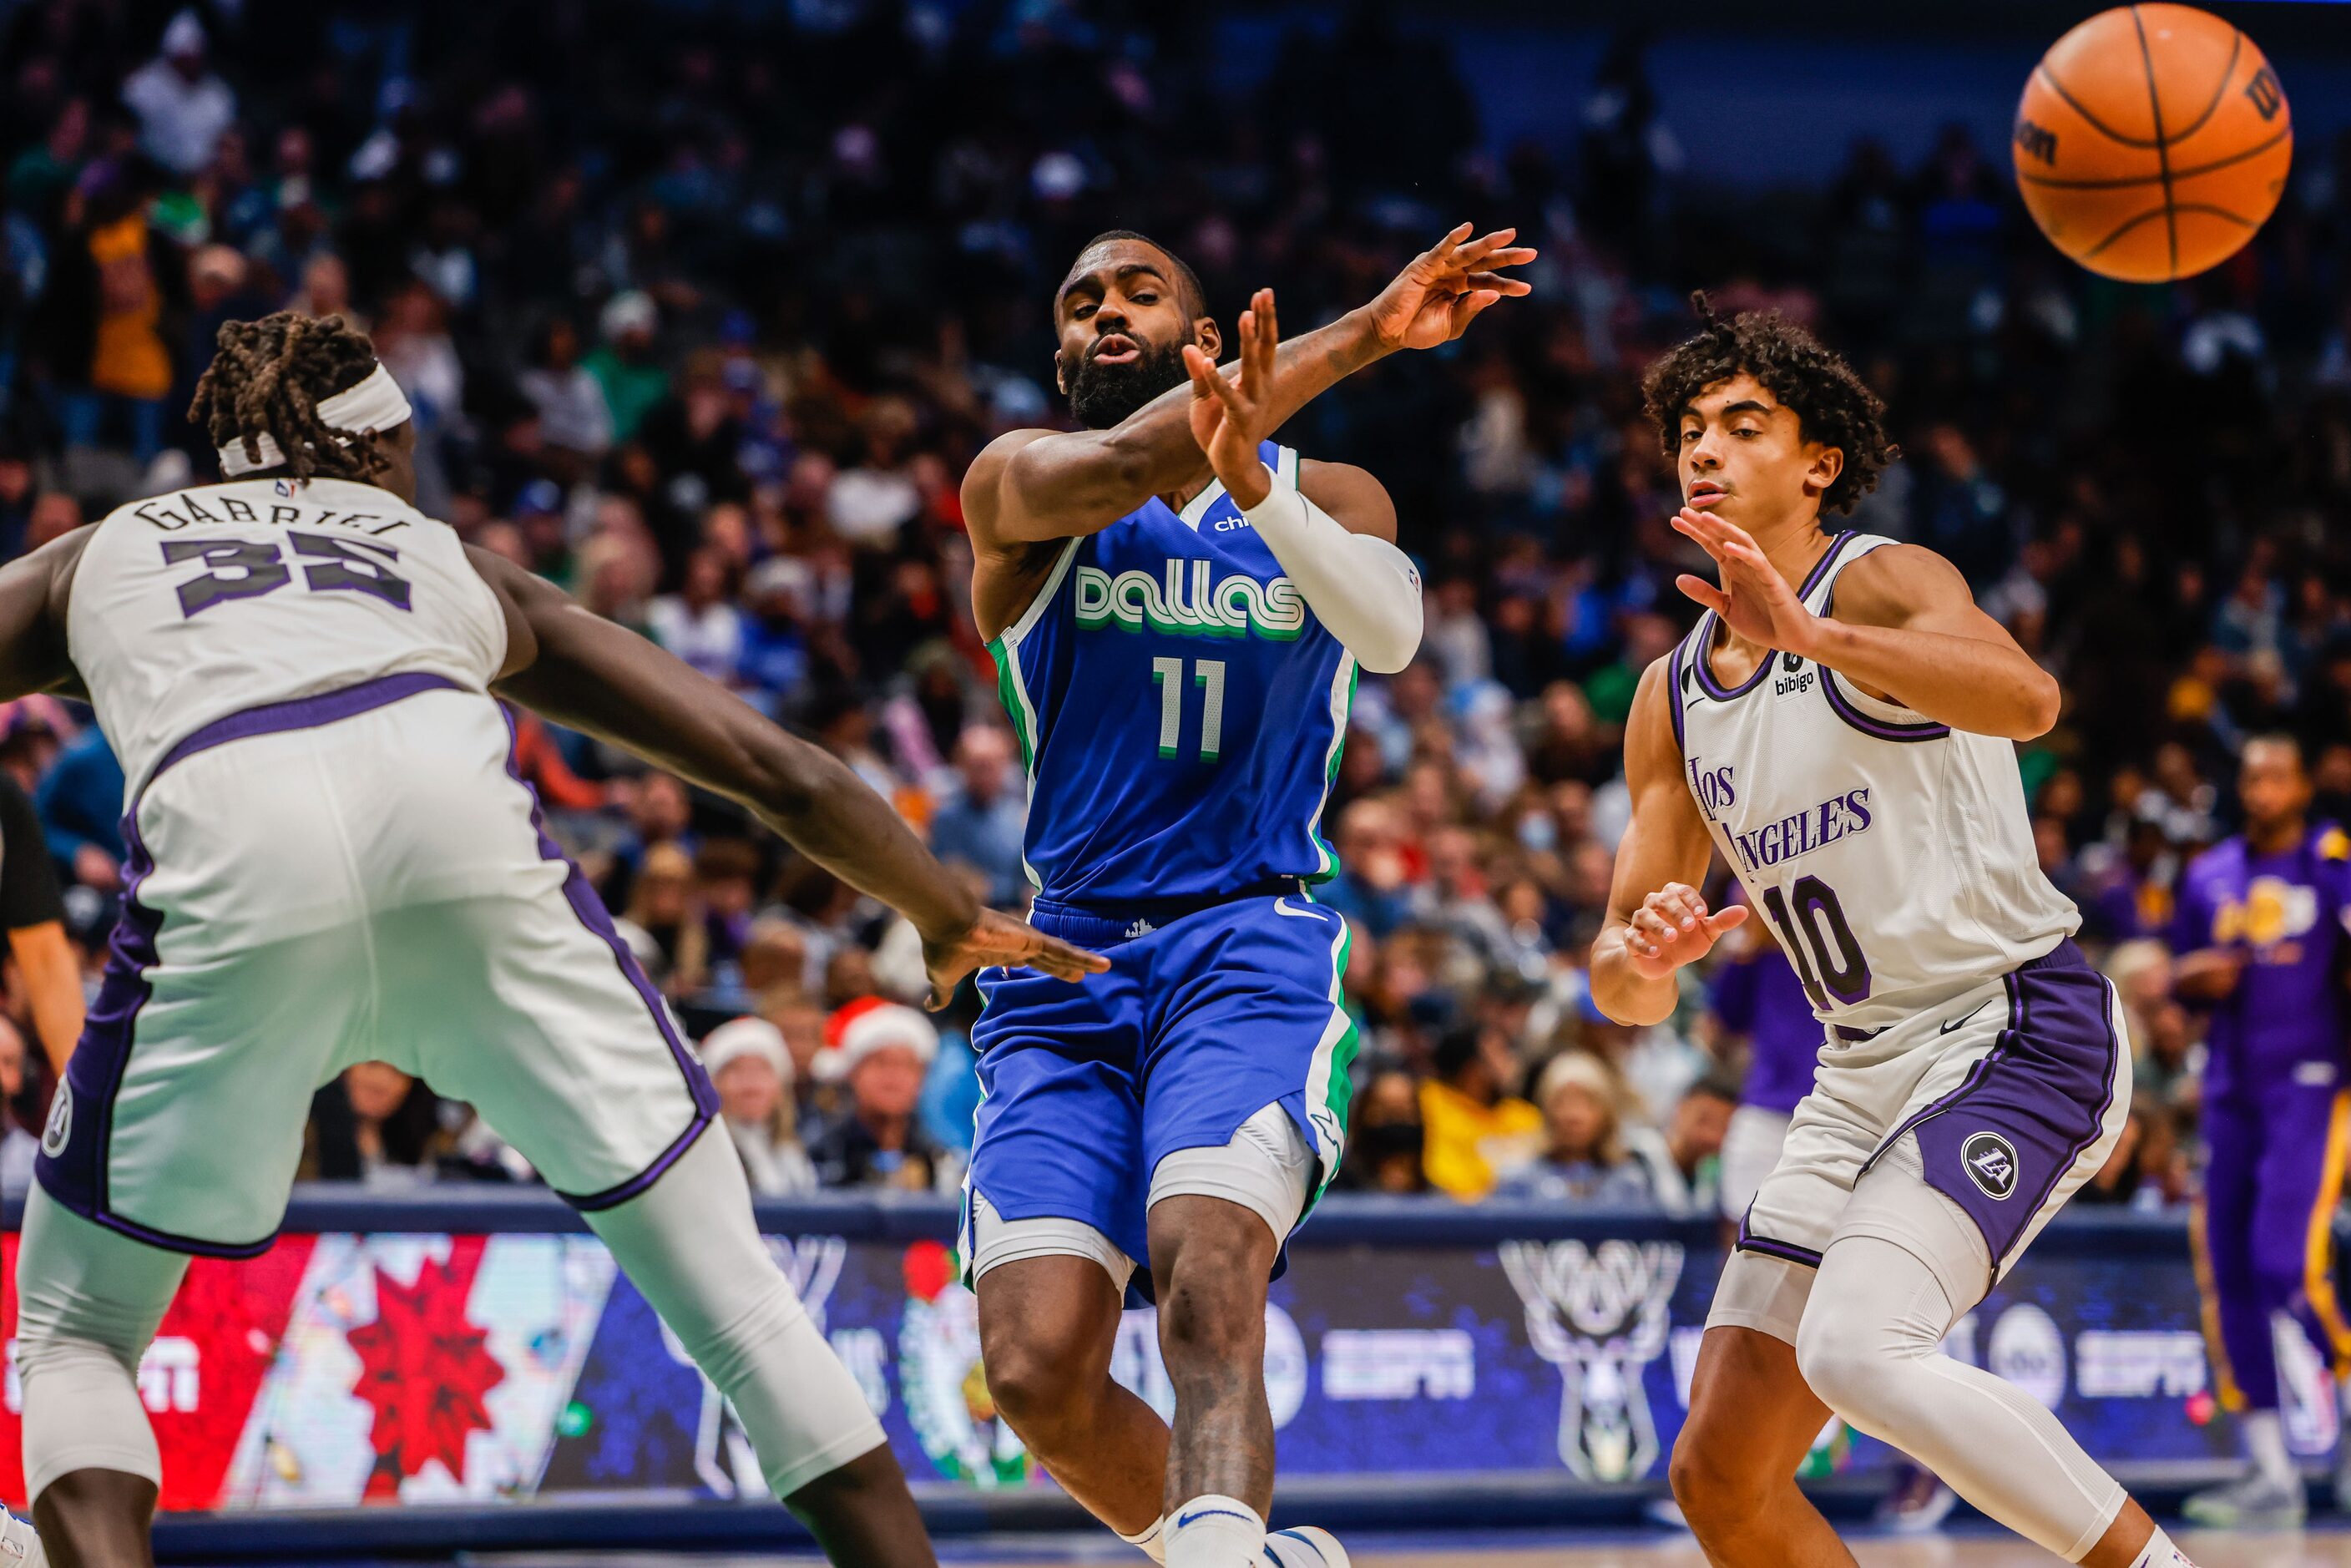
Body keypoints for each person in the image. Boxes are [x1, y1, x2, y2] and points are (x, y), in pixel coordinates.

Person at [3, 311, 1105, 1568]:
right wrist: (947, 911)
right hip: (463, 852)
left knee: (77, 1335)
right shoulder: (445, 555)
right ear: (379, 450)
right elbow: (771, 767)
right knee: (739, 1304)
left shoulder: (99, 552)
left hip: (237, 856)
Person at [955, 225, 1531, 1568]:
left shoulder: (1337, 491)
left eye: (1141, 292)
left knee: (1207, 1266)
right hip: (1064, 958)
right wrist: (1371, 333)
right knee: (1035, 1372)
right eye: (1082, 298)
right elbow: (1123, 462)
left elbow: (1389, 639)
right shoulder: (1021, 482)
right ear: (1058, 349)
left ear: (1206, 340)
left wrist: (1260, 481)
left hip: (1245, 939)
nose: (1107, 307)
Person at [1590, 300, 2192, 1568]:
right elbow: (1622, 992)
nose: (1704, 447)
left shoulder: (1881, 579)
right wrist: (1640, 954)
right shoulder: (1672, 698)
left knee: (1860, 1348)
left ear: (1819, 463)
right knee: (1721, 1476)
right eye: (1690, 428)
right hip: (1858, 1070)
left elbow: (2029, 697)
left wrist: (1813, 637)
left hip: (2016, 1021)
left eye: (1743, 425)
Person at [2172, 736, 2351, 1527]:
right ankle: (2270, 1470)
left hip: (2313, 1083)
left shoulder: (2334, 858)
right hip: (2230, 1090)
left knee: (2286, 1263)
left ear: (2303, 784)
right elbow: (2177, 973)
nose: (2262, 790)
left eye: (2277, 775)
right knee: (2229, 1269)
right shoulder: (2209, 873)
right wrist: (2191, 978)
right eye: (2250, 777)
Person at [1705, 910, 1822, 1224]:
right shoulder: (1755, 919)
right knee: (1743, 1225)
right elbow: (1728, 1019)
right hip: (1767, 1103)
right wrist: (1744, 950)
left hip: (1846, 1106)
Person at [1490, 1050, 1651, 1204]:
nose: (1573, 1115)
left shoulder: (1627, 1182)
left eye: (1587, 1102)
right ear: (1546, 1110)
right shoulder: (1518, 1179)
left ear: (1606, 1113)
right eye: (1562, 1102)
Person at [702, 1015, 817, 1196]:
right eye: (734, 1069)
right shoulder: (705, 1157)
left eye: (762, 1068)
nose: (750, 1081)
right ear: (715, 1084)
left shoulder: (801, 1148)